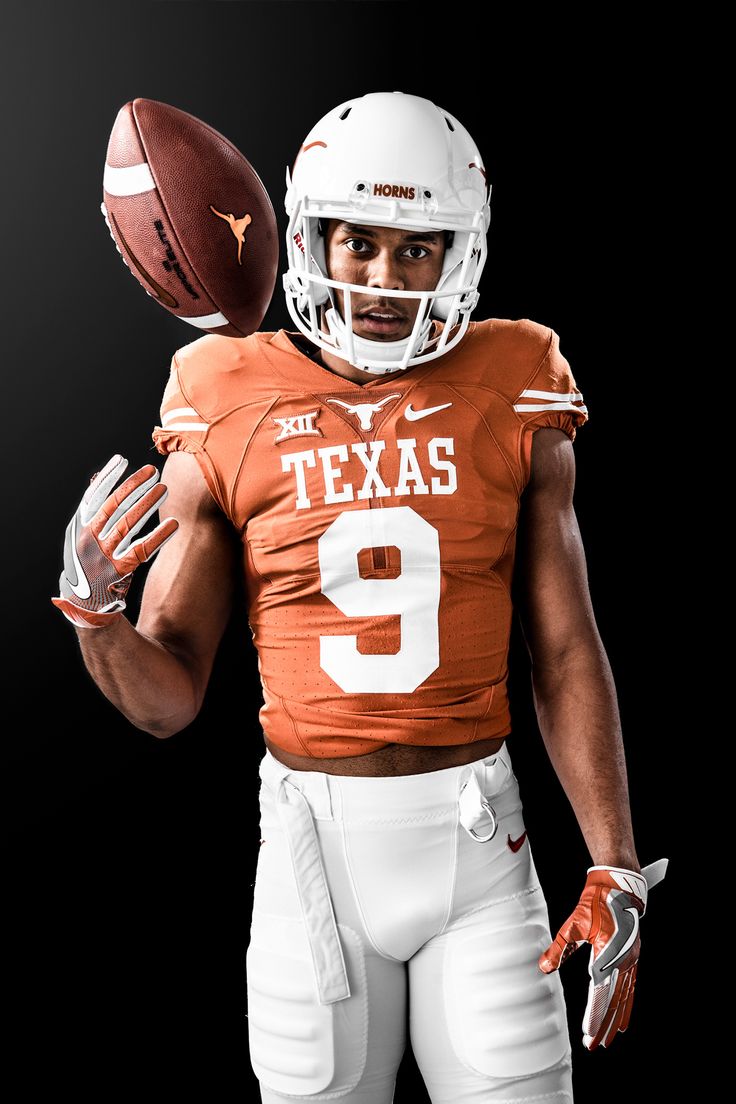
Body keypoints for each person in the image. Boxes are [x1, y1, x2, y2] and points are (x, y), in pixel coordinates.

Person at [52, 91, 667, 1103]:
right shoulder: (222, 388)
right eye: (358, 244)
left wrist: (613, 864)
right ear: (307, 239)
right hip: (312, 856)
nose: (385, 280)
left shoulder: (516, 375)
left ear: (456, 256)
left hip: (479, 839)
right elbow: (165, 701)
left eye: (415, 250)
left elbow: (562, 652)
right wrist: (95, 618)